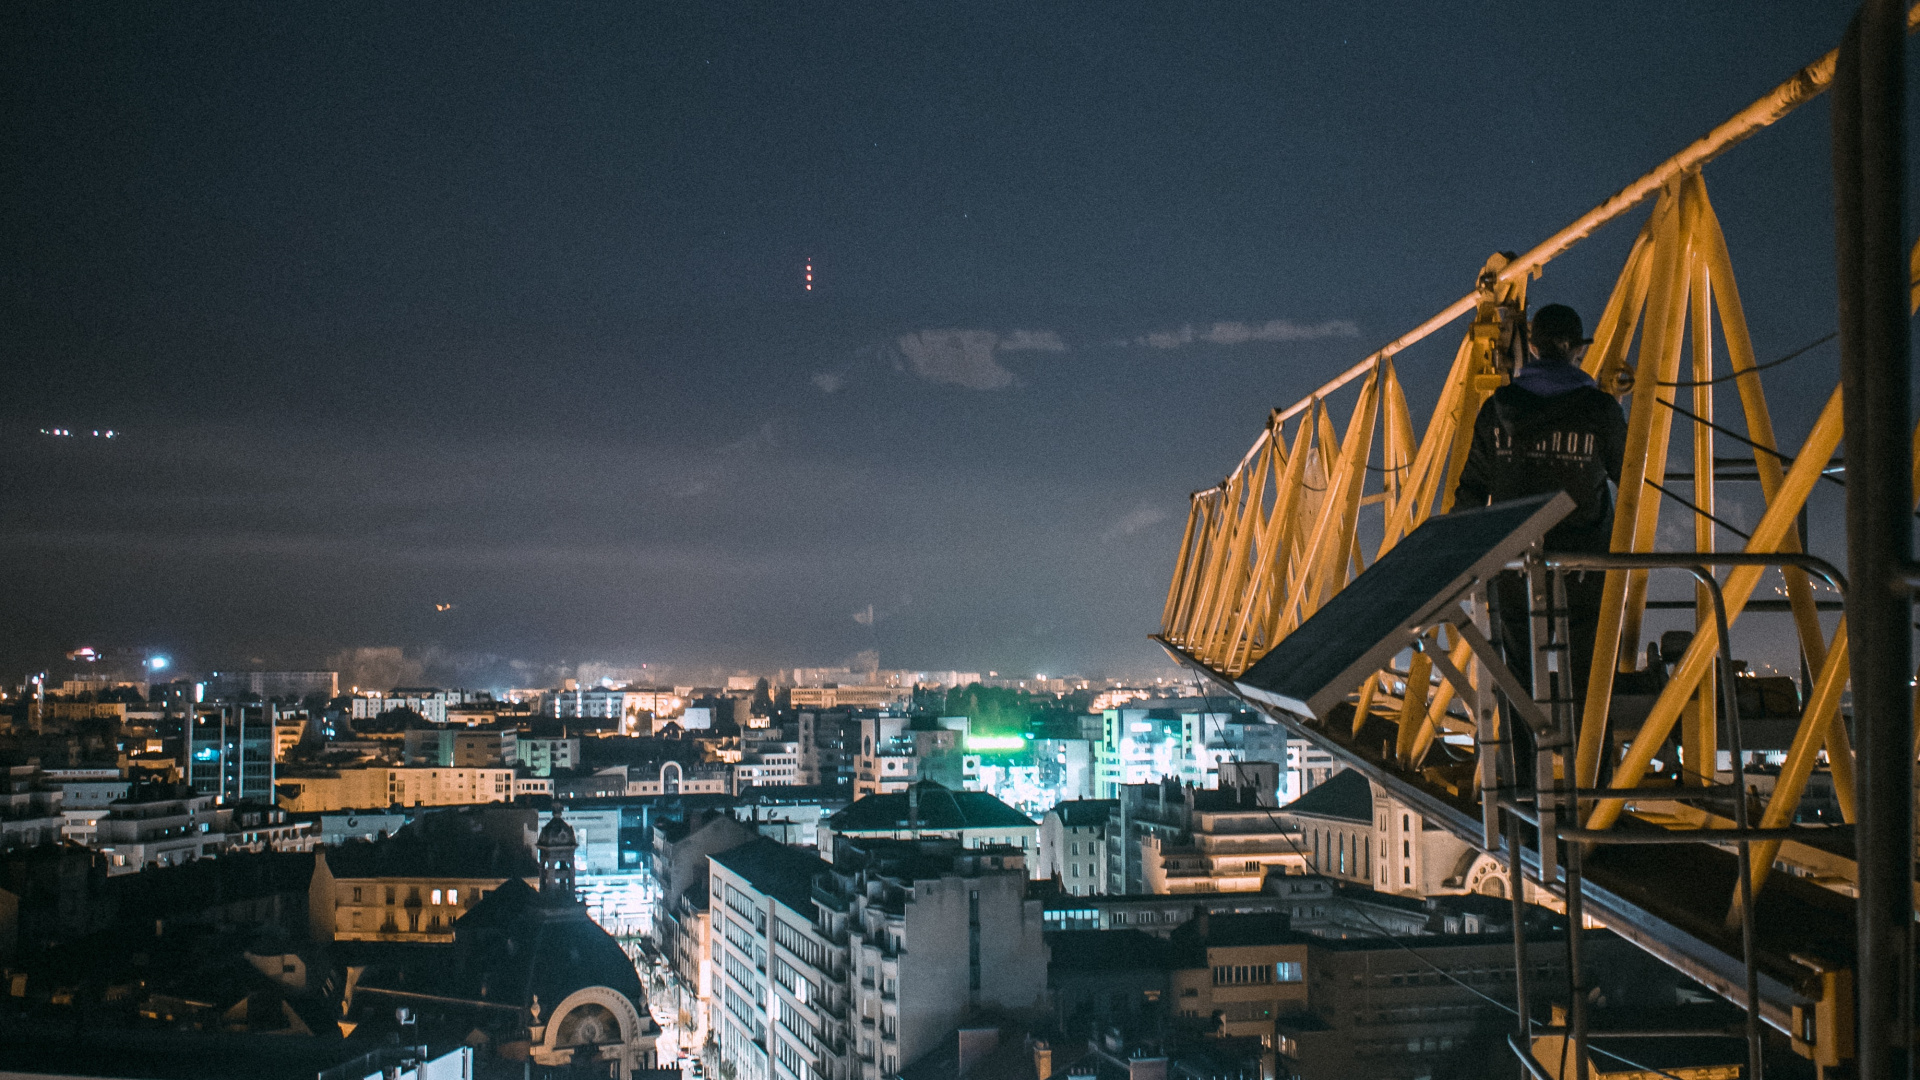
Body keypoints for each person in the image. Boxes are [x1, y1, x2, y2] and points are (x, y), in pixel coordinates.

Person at [1453, 303, 1628, 713]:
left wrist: (1458, 564)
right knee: (1587, 674)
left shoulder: (1497, 409)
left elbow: (1473, 489)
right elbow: (1632, 479)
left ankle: (1526, 765)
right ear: (1576, 351)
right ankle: (1589, 765)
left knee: (1516, 673)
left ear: (1531, 348)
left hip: (1515, 561)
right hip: (1586, 565)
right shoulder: (1601, 412)